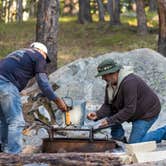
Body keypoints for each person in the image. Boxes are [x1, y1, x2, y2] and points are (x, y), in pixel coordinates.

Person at [0, 42, 67, 154]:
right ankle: (13, 156)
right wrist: (57, 100)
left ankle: (3, 152)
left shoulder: (18, 53)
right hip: (6, 84)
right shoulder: (38, 56)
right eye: (46, 58)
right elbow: (43, 83)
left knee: (4, 120)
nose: (45, 61)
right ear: (42, 51)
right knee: (17, 122)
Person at [87, 58, 166, 144]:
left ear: (113, 73)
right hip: (134, 111)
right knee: (112, 113)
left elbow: (129, 109)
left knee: (135, 143)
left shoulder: (129, 82)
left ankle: (163, 132)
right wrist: (97, 114)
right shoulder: (111, 84)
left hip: (147, 112)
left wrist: (109, 121)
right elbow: (108, 105)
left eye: (104, 75)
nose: (102, 78)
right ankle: (119, 137)